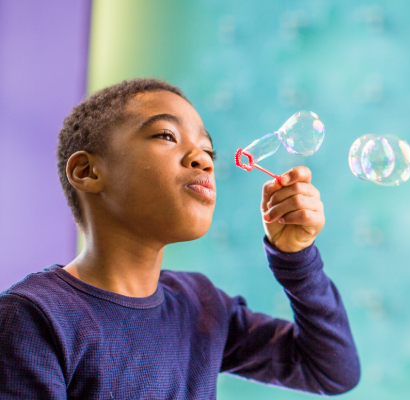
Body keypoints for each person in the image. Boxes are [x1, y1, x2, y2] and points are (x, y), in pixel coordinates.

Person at [0, 78, 360, 399]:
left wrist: (295, 257)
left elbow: (331, 370)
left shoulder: (201, 306)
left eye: (209, 151)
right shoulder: (34, 317)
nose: (202, 159)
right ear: (88, 171)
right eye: (166, 136)